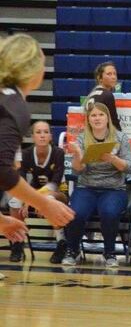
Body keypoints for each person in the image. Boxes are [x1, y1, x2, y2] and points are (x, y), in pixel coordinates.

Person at [0, 34, 74, 244]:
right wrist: (44, 203)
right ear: (32, 70)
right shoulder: (14, 106)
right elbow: (2, 171)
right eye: (42, 62)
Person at [64, 102, 131, 268]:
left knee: (109, 212)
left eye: (101, 115)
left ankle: (109, 252)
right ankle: (72, 250)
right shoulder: (82, 138)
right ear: (88, 120)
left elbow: (130, 167)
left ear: (107, 118)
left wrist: (113, 159)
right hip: (86, 187)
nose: (97, 118)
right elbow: (78, 170)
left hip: (113, 189)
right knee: (76, 213)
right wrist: (78, 156)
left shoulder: (120, 137)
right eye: (93, 115)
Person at [10, 121, 68, 263]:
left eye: (45, 132)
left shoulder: (58, 153)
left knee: (50, 199)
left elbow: (55, 182)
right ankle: (17, 242)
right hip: (34, 194)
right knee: (15, 200)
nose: (42, 135)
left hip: (58, 193)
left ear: (50, 136)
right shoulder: (26, 154)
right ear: (33, 137)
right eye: (38, 132)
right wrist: (28, 199)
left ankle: (61, 242)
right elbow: (21, 181)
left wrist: (37, 200)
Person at [85, 61, 122, 130]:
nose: (113, 77)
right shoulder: (107, 95)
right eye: (109, 74)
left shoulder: (91, 94)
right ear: (100, 78)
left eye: (115, 74)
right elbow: (114, 123)